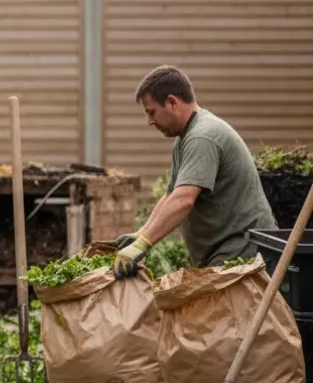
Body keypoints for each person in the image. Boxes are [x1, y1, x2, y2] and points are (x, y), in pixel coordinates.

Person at [114, 65, 276, 279]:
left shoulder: (202, 137)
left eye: (151, 112)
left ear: (172, 102)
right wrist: (141, 234)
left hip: (242, 255)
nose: (150, 122)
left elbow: (184, 200)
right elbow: (171, 195)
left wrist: (144, 243)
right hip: (226, 254)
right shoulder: (185, 139)